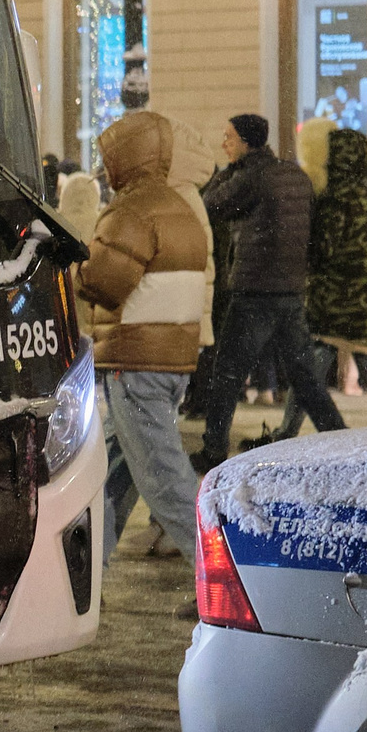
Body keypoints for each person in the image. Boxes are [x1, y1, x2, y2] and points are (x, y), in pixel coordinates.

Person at [75, 110, 209, 560]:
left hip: (135, 363)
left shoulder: (131, 211)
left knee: (165, 479)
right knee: (112, 473)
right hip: (172, 359)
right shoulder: (181, 208)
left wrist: (72, 270)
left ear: (123, 157)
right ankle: (88, 572)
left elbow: (103, 283)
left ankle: (228, 581)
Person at [197, 114, 343, 468]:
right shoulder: (295, 175)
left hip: (254, 290)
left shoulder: (251, 176)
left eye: (229, 137)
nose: (224, 143)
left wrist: (227, 170)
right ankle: (341, 441)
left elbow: (210, 204)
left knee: (228, 374)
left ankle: (214, 449)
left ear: (246, 142)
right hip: (290, 290)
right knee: (305, 378)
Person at [275, 125, 367, 436]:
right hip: (361, 300)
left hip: (330, 301)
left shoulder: (330, 202)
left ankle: (285, 433)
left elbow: (322, 251)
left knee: (311, 374)